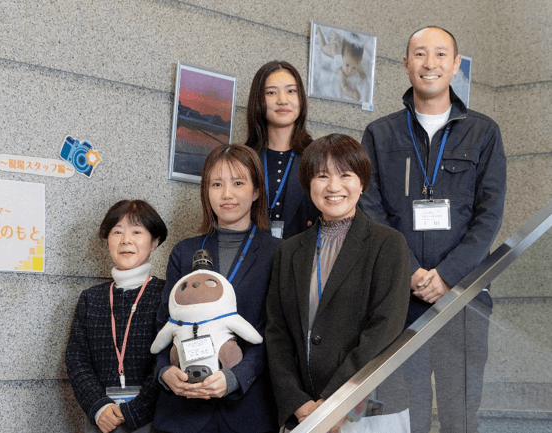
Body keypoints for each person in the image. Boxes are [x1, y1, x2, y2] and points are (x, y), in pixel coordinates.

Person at [359, 26, 506, 432]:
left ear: (456, 65)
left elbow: (489, 216)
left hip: (464, 299)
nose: (430, 63)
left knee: (461, 416)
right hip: (399, 300)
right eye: (420, 54)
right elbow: (370, 209)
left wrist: (447, 276)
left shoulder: (484, 132)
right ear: (406, 64)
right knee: (410, 416)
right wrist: (409, 272)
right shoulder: (379, 134)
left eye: (441, 54)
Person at [266, 133, 410, 430]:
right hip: (305, 410)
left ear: (362, 182)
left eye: (345, 175)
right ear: (308, 184)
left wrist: (334, 401)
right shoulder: (289, 251)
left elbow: (384, 330)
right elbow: (277, 332)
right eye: (322, 176)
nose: (333, 186)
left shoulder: (388, 243)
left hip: (367, 408)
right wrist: (297, 401)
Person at [153, 144, 280, 433]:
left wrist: (235, 377)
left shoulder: (278, 253)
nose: (227, 194)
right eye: (217, 184)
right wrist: (165, 372)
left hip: (247, 411)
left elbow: (275, 333)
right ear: (206, 191)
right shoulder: (184, 252)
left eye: (238, 183)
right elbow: (164, 324)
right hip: (182, 411)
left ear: (256, 191)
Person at [66, 200, 169, 433]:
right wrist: (99, 406)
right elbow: (76, 359)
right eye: (117, 232)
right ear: (107, 241)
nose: (126, 240)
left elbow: (170, 357)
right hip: (102, 420)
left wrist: (136, 410)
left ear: (154, 242)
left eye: (137, 232)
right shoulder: (91, 299)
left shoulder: (167, 294)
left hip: (155, 417)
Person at [245, 60, 320, 240]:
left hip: (303, 253)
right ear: (258, 99)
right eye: (271, 92)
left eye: (291, 91)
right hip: (251, 252)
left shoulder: (319, 157)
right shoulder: (243, 158)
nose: (282, 100)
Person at [316, 26, 366, 100]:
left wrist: (361, 72)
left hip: (341, 47)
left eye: (354, 68)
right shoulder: (341, 70)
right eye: (347, 65)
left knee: (340, 43)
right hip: (334, 50)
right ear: (342, 58)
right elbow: (344, 87)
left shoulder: (355, 61)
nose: (349, 71)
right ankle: (318, 31)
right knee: (322, 47)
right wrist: (352, 93)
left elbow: (359, 66)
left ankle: (336, 37)